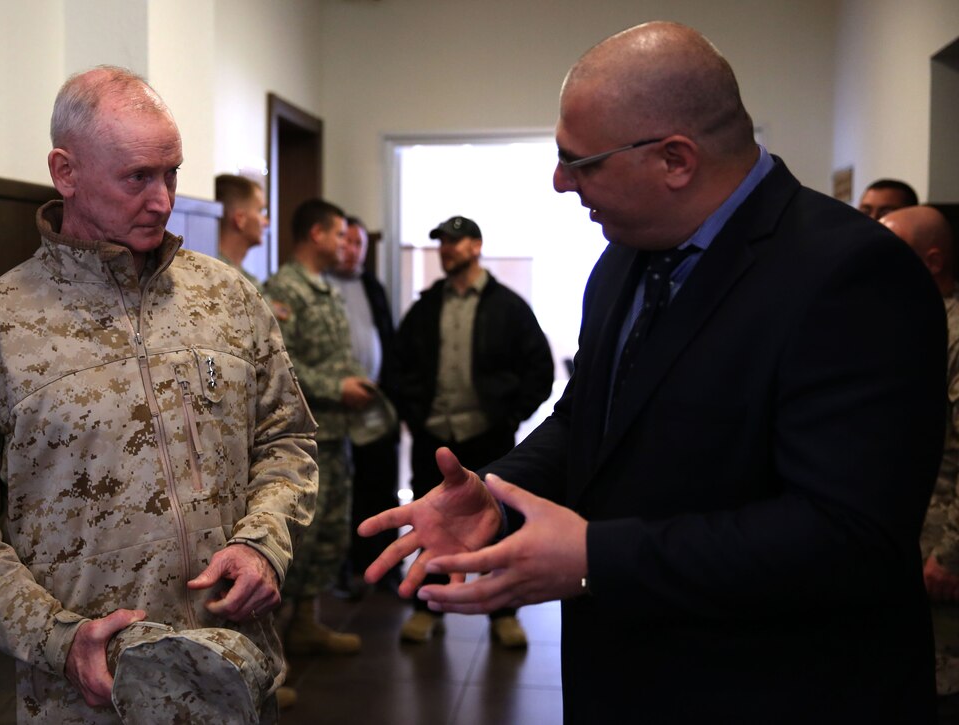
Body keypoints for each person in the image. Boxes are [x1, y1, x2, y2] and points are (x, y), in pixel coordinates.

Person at [360, 21, 946, 723]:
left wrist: (595, 556)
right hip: (622, 677)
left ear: (675, 159)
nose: (559, 182)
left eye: (579, 161)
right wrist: (498, 493)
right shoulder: (622, 260)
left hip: (770, 688)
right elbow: (589, 418)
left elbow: (849, 536)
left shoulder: (852, 273)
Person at [0, 66, 317, 724]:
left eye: (172, 173)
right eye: (137, 177)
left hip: (230, 680)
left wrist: (264, 542)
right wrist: (56, 639)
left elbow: (286, 439)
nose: (163, 200)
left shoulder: (229, 300)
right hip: (76, 700)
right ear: (66, 172)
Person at [393, 215, 553, 647]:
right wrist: (413, 413)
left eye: (456, 241)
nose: (447, 249)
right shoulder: (427, 306)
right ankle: (428, 607)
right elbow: (398, 365)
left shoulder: (509, 307)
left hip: (490, 435)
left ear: (476, 246)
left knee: (501, 520)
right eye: (442, 242)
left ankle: (504, 614)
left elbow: (539, 369)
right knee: (428, 522)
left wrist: (510, 416)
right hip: (433, 437)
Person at [264, 199, 373, 656]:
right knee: (296, 541)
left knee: (329, 533)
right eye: (339, 234)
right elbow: (280, 366)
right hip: (302, 439)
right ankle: (272, 649)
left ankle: (307, 623)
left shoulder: (326, 288)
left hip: (335, 433)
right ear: (316, 234)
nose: (346, 243)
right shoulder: (284, 289)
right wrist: (336, 387)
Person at [882, 205, 959, 718]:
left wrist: (952, 553)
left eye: (891, 249)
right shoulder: (910, 321)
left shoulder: (954, 333)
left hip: (941, 556)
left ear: (932, 260)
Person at [327, 215, 402, 598]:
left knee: (379, 488)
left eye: (358, 244)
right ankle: (341, 569)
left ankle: (385, 565)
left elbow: (387, 338)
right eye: (346, 241)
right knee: (340, 494)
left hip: (374, 406)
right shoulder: (319, 285)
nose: (351, 250)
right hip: (332, 408)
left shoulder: (373, 286)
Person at [215, 173, 269, 289]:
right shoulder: (214, 274)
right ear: (240, 219)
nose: (266, 222)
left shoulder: (246, 279)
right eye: (260, 211)